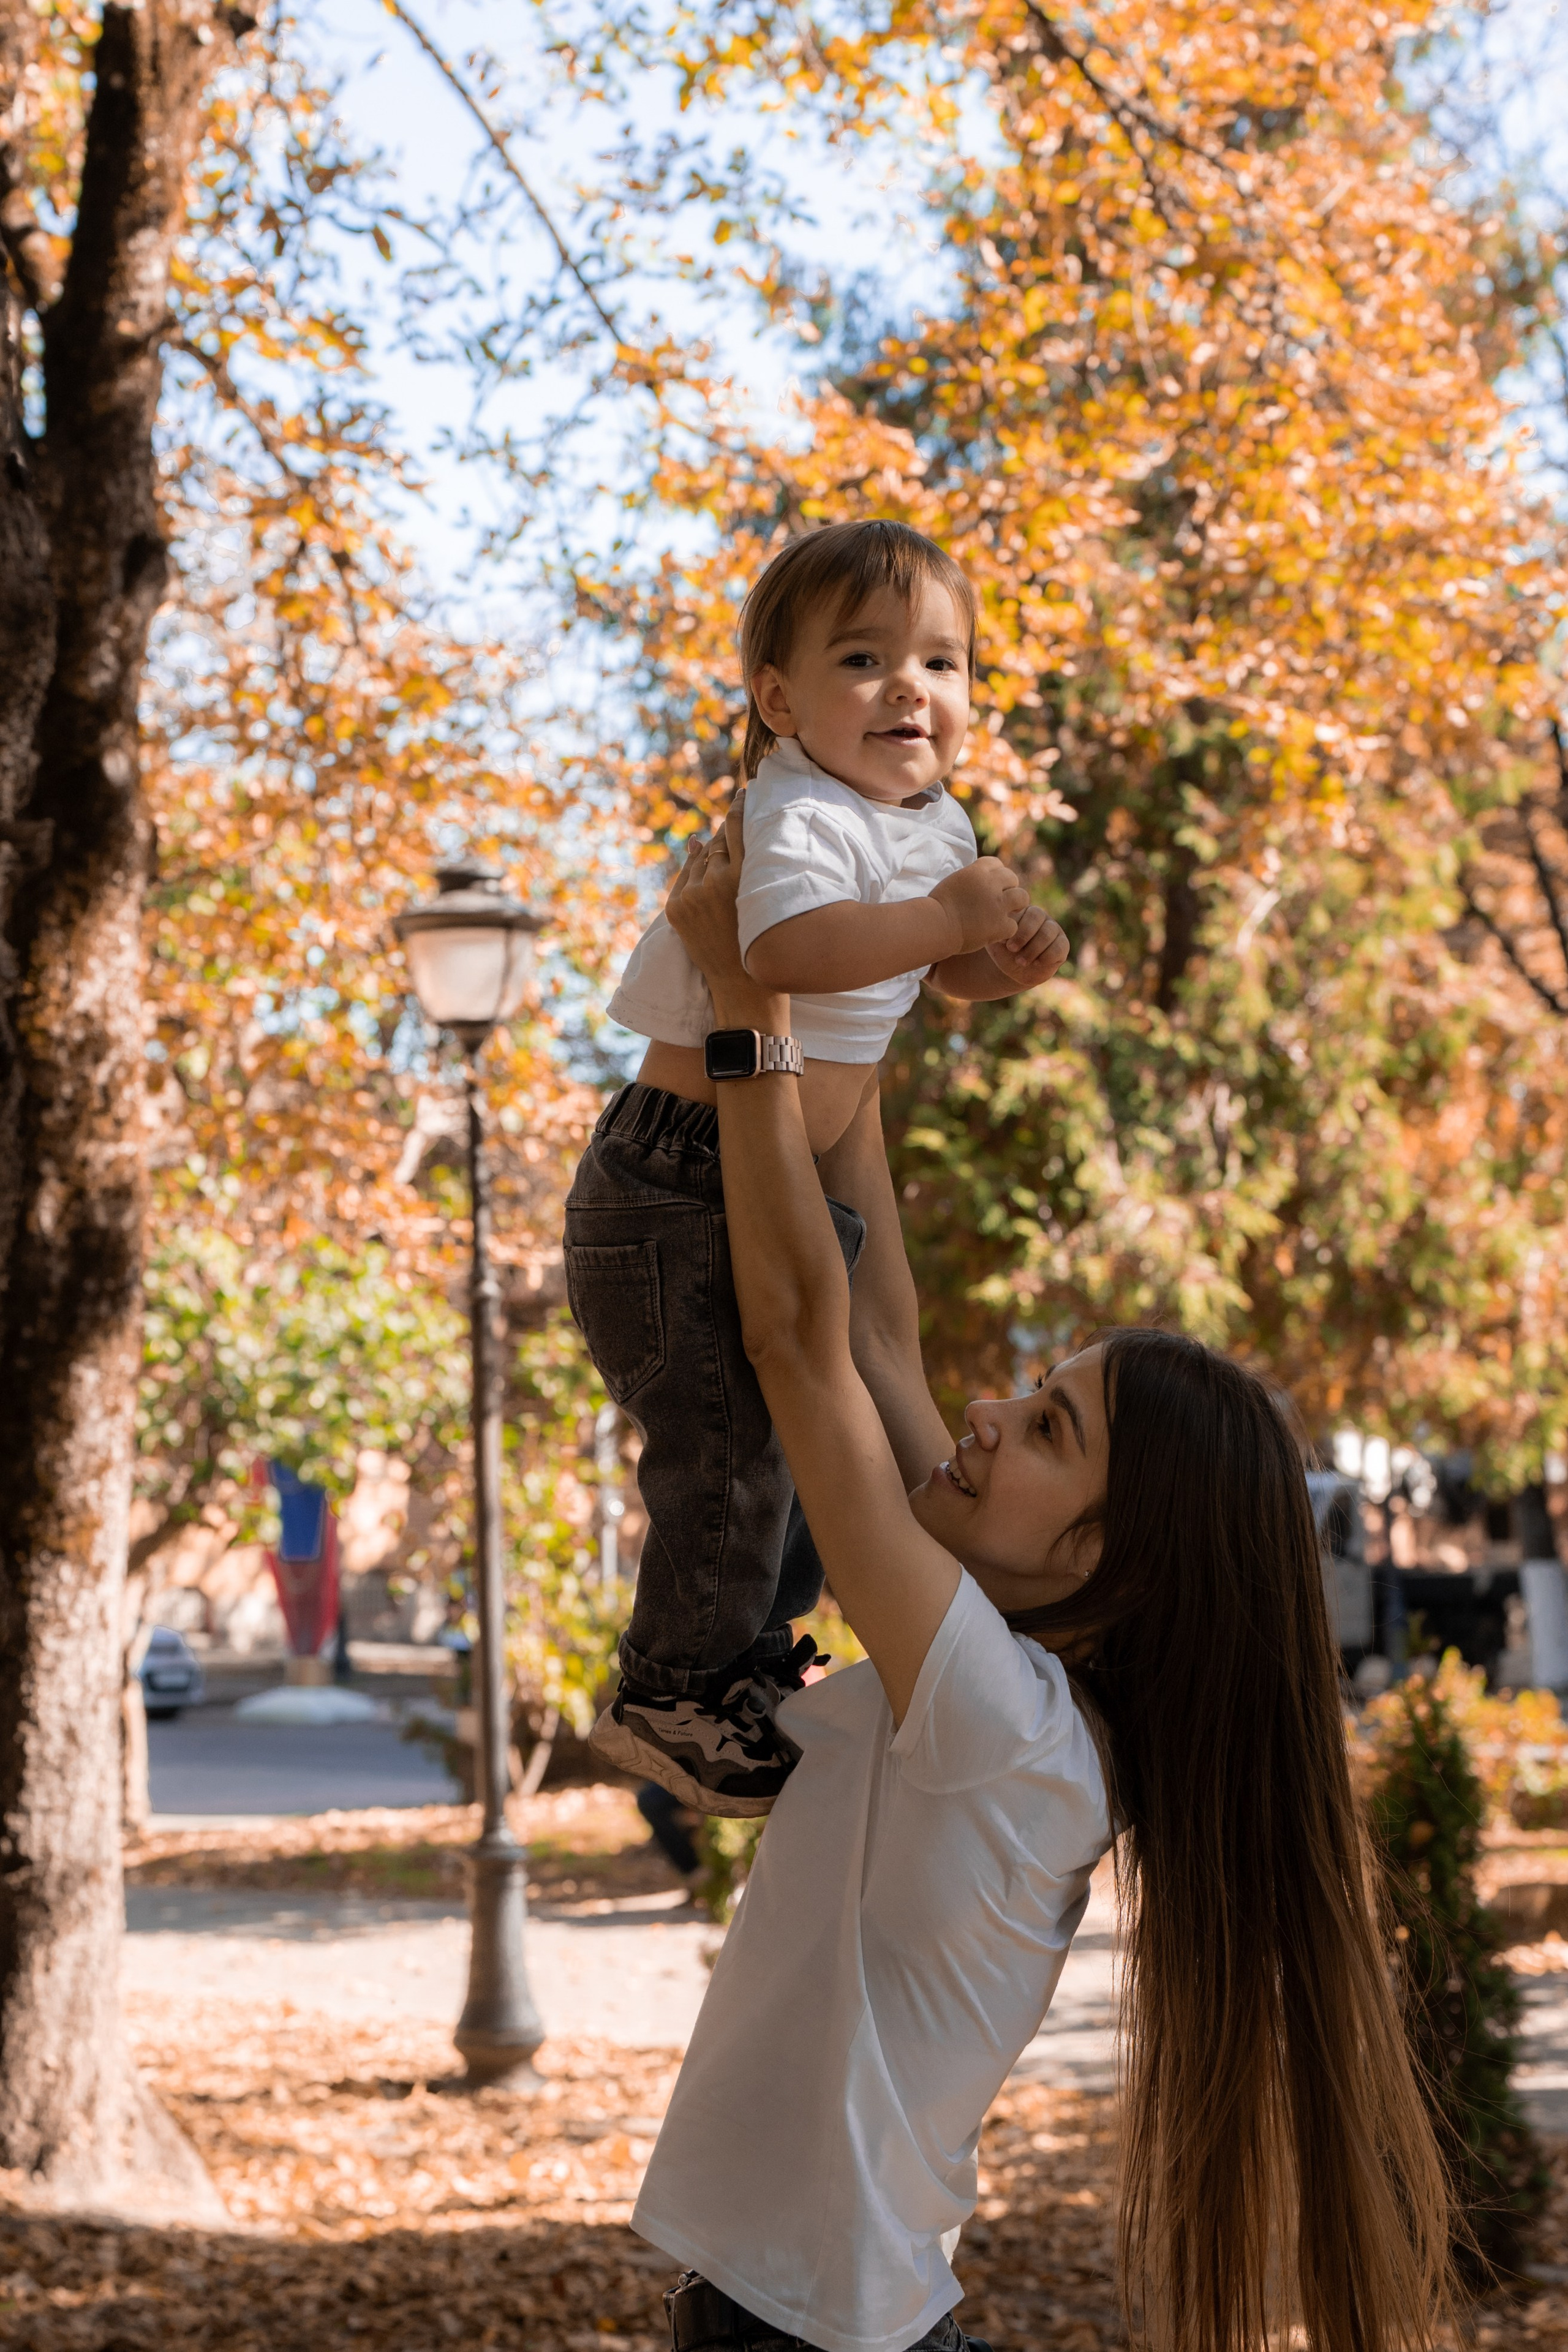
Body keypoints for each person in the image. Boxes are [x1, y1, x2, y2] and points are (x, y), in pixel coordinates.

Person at [627, 810, 1453, 2352]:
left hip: (814, 2335)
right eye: (1030, 1387)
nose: (990, 1413)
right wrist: (863, 986)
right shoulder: (1013, 1673)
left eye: (1049, 1427)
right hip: (818, 2316)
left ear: (1099, 1559)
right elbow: (877, 1328)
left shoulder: (1001, 1720)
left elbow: (798, 1345)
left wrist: (745, 1021)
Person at [568, 520, 1068, 1814]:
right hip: (678, 1179)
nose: (914, 688)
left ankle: (730, 1664)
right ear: (781, 701)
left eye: (944, 664)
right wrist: (949, 916)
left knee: (788, 1446)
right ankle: (673, 1686)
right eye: (865, 658)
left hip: (779, 1154)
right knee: (732, 1442)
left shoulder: (929, 820)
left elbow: (923, 974)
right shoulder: (794, 807)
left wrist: (988, 963)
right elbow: (783, 953)